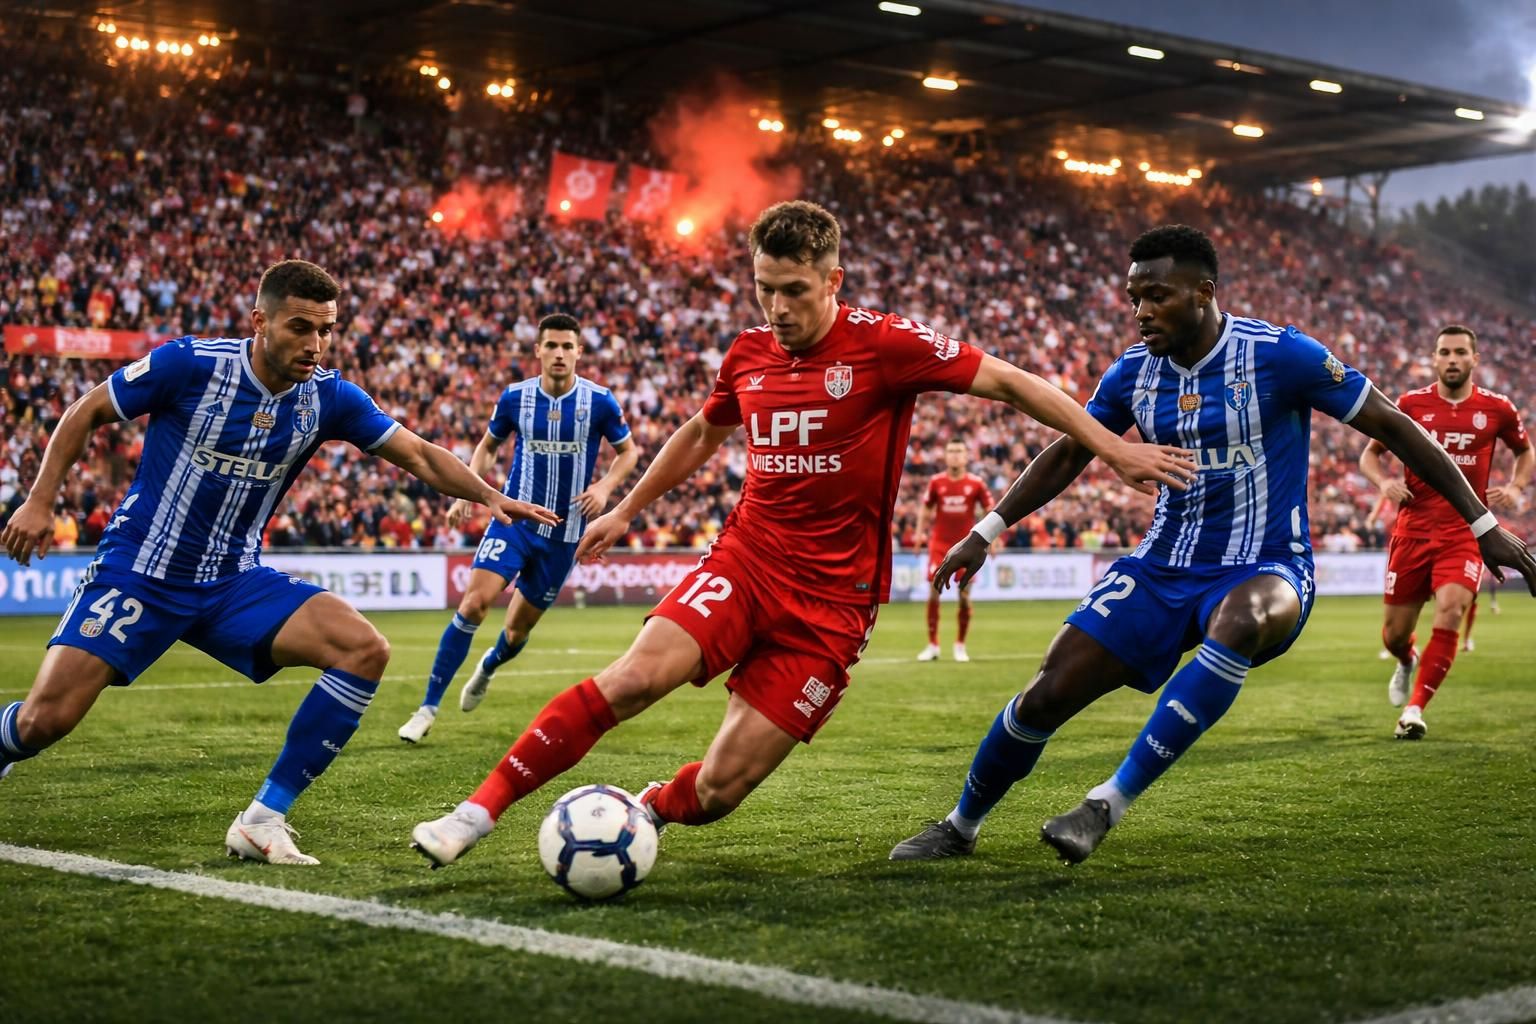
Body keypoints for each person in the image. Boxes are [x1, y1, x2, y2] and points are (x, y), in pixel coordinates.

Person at [408, 199, 1197, 868]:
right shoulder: (748, 354)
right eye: (763, 289)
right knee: (633, 679)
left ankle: (648, 806)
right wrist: (625, 509)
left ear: (832, 281)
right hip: (746, 560)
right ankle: (475, 812)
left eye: (793, 291)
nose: (776, 309)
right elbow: (698, 433)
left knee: (719, 792)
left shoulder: (886, 346)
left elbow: (1012, 383)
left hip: (833, 606)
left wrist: (1113, 446)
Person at [889, 225, 1536, 866]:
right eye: (1134, 296)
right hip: (1161, 566)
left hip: (1268, 565)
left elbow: (1393, 425)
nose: (1141, 311)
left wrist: (1484, 526)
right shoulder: (1132, 373)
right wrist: (987, 529)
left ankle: (1104, 804)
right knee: (1048, 691)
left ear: (1205, 291)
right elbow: (1068, 452)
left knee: (1246, 617)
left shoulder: (1281, 356)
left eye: (1157, 295)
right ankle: (959, 826)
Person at [0, 260, 557, 864]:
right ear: (260, 321)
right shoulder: (188, 364)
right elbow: (87, 410)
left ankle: (263, 819)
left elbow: (419, 454)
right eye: (300, 328)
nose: (314, 345)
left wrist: (489, 495)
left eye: (326, 331)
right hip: (141, 572)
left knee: (363, 648)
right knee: (43, 723)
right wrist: (40, 500)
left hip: (232, 580)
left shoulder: (329, 396)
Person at [397, 314, 639, 743]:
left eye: (568, 346)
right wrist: (467, 493)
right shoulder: (515, 398)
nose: (559, 354)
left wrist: (604, 487)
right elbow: (487, 447)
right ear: (538, 350)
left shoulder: (600, 402)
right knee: (473, 605)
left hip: (564, 534)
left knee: (517, 631)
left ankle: (489, 665)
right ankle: (427, 708)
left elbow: (629, 452)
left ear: (579, 352)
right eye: (552, 346)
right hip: (514, 521)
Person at [1359, 324, 1531, 739]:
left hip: (1467, 532)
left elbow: (1524, 451)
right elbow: (1371, 454)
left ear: (1475, 359)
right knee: (1395, 633)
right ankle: (1405, 659)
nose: (1452, 359)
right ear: (1434, 359)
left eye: (1460, 352)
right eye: (1444, 352)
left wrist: (1516, 486)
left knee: (1452, 610)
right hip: (1413, 530)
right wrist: (1383, 483)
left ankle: (1414, 710)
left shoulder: (1498, 409)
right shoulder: (1410, 404)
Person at [914, 440, 994, 663]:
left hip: (966, 546)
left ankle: (960, 645)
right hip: (939, 545)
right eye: (951, 451)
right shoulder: (936, 482)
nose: (955, 455)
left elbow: (990, 509)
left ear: (966, 456)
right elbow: (925, 509)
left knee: (964, 596)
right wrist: (920, 534)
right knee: (933, 590)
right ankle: (933, 645)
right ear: (946, 456)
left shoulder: (976, 483)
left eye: (959, 451)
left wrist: (991, 539)